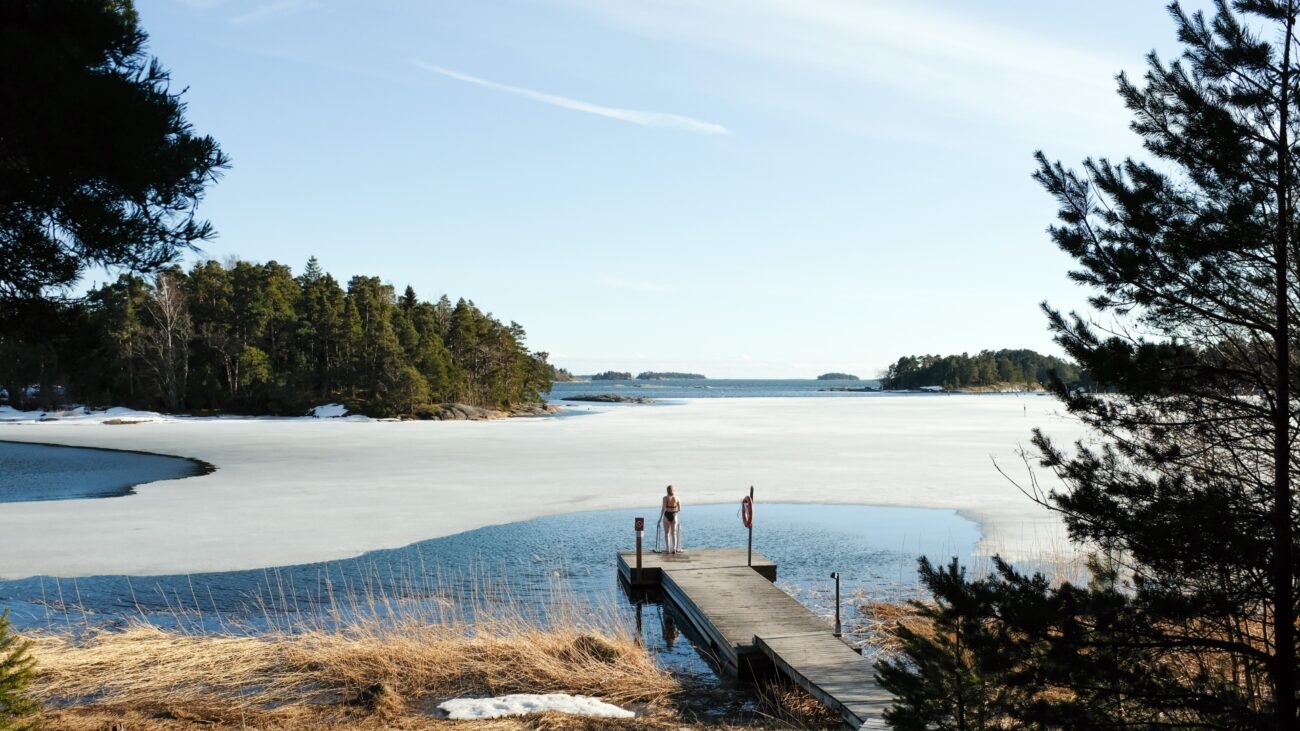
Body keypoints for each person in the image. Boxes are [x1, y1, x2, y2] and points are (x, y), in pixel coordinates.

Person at [660, 485, 682, 554]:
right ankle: (674, 549)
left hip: (666, 516)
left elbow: (663, 508)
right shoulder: (677, 498)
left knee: (667, 533)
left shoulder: (665, 498)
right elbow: (680, 509)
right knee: (674, 533)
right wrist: (674, 512)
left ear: (667, 490)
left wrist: (660, 518)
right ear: (673, 490)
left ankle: (668, 549)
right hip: (674, 515)